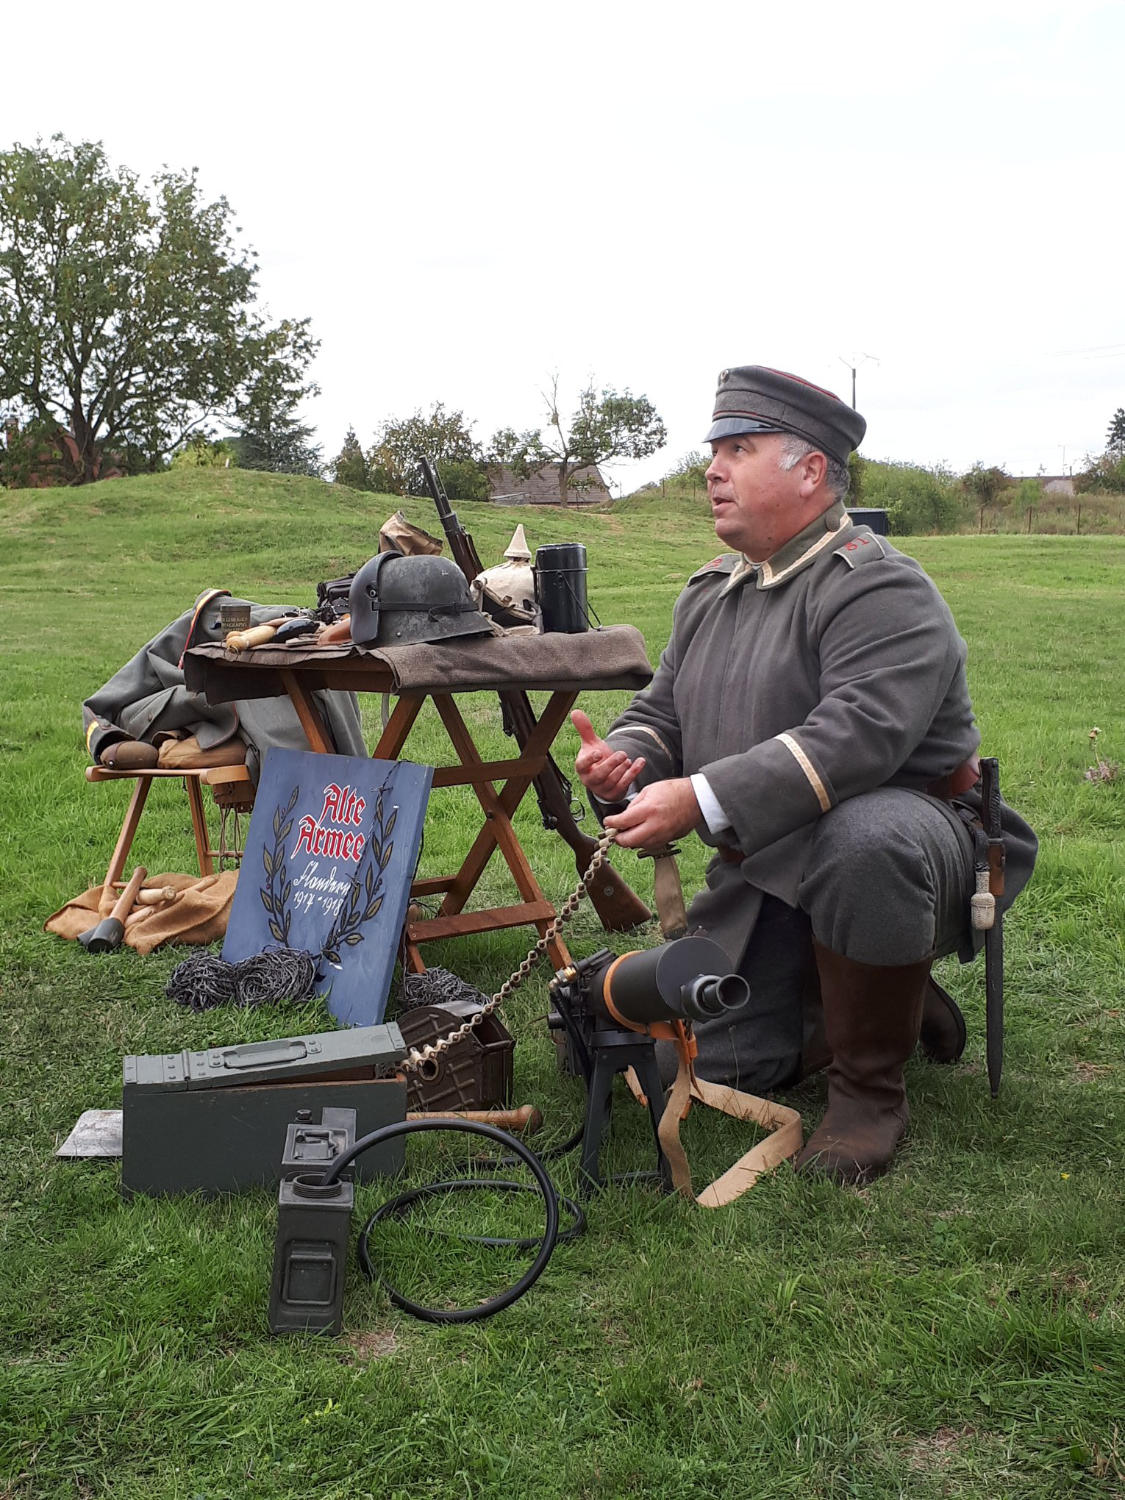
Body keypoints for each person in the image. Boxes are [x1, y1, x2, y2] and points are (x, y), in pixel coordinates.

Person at [572, 365, 1036, 1184]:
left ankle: (867, 1092)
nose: (711, 469)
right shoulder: (709, 593)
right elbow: (663, 715)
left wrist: (702, 799)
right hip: (773, 860)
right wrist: (627, 763)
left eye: (738, 449)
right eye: (713, 450)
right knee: (697, 1064)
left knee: (866, 836)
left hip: (913, 847)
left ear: (810, 469)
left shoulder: (880, 586)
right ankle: (870, 997)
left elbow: (855, 739)